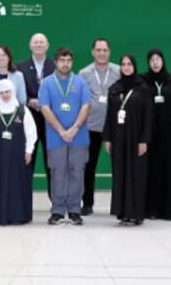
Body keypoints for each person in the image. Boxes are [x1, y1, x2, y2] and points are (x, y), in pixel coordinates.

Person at [39, 46, 91, 226]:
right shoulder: (47, 83)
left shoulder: (80, 82)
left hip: (79, 136)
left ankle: (75, 210)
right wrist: (61, 130)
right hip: (56, 137)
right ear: (55, 62)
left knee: (77, 172)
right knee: (58, 173)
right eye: (62, 60)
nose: (65, 64)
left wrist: (75, 128)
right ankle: (58, 211)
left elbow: (86, 106)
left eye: (69, 60)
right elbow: (45, 108)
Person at [104, 54, 152, 226]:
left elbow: (148, 116)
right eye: (123, 64)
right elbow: (109, 115)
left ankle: (137, 214)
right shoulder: (114, 89)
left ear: (134, 66)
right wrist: (107, 138)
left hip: (136, 138)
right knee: (120, 174)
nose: (126, 67)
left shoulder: (143, 88)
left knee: (137, 174)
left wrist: (144, 140)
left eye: (129, 64)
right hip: (118, 138)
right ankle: (123, 212)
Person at [0, 78, 37, 225]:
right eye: (2, 92)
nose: (5, 95)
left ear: (12, 91)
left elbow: (31, 132)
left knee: (17, 185)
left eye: (7, 92)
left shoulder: (23, 110)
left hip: (18, 156)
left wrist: (29, 151)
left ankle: (19, 215)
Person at [141, 48, 171, 220]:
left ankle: (168, 210)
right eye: (152, 60)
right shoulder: (142, 81)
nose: (155, 63)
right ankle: (150, 209)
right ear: (148, 62)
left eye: (158, 59)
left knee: (168, 170)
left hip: (169, 135)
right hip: (149, 135)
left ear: (163, 61)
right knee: (150, 171)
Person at [79, 38, 119, 215]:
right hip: (91, 126)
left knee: (119, 167)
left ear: (109, 52)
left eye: (104, 50)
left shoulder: (119, 71)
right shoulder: (84, 73)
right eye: (98, 50)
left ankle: (120, 204)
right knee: (88, 166)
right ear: (92, 52)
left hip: (115, 126)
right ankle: (87, 203)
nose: (101, 53)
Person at [17, 33, 54, 200]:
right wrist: (28, 100)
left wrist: (46, 102)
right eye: (35, 42)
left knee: (51, 159)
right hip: (29, 116)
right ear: (30, 46)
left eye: (41, 42)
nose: (38, 45)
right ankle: (23, 199)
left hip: (50, 118)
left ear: (47, 45)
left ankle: (55, 201)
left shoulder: (55, 65)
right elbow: (17, 90)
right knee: (27, 157)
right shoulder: (20, 66)